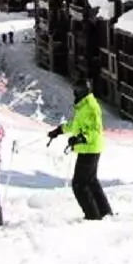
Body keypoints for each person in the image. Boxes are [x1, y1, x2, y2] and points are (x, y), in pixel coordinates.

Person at [47, 79, 113, 220]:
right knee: (91, 181)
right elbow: (76, 125)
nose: (74, 93)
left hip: (89, 149)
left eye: (76, 90)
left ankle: (92, 216)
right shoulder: (83, 106)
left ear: (82, 90)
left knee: (79, 184)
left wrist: (81, 138)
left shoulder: (91, 106)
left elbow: (96, 130)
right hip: (88, 148)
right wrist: (59, 130)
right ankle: (104, 212)